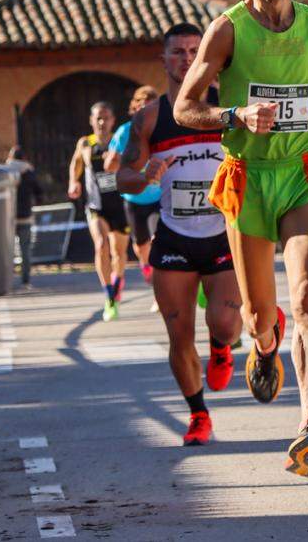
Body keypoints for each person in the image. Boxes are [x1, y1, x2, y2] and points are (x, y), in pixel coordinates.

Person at [173, 0, 308, 478]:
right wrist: (234, 114)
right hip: (249, 177)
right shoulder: (227, 30)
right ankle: (263, 340)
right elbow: (184, 107)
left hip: (303, 172)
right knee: (256, 316)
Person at [115, 23, 241, 446]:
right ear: (164, 60)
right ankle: (198, 415)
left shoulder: (227, 109)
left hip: (223, 233)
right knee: (178, 335)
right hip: (174, 237)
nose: (186, 59)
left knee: (225, 324)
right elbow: (122, 178)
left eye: (193, 51)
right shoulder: (150, 118)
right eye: (177, 52)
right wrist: (144, 174)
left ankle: (221, 346)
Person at [70, 102, 131, 321]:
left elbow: (133, 164)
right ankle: (109, 296)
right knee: (101, 245)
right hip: (96, 205)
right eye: (98, 118)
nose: (102, 122)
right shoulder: (85, 143)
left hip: (120, 204)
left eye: (106, 118)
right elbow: (76, 163)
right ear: (91, 120)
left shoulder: (119, 141)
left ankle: (118, 280)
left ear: (113, 120)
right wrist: (73, 182)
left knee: (119, 253)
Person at [104, 85, 160, 286]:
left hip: (159, 196)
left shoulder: (161, 130)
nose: (146, 113)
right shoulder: (124, 132)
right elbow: (109, 166)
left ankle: (159, 279)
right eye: (142, 108)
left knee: (159, 239)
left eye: (151, 108)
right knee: (141, 246)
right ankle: (146, 265)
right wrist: (119, 162)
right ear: (135, 109)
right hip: (134, 197)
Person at [8, 146, 42, 290]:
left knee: (7, 250)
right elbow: (39, 192)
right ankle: (25, 281)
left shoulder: (5, 171)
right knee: (25, 250)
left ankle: (7, 280)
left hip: (8, 217)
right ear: (24, 158)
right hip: (25, 216)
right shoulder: (29, 172)